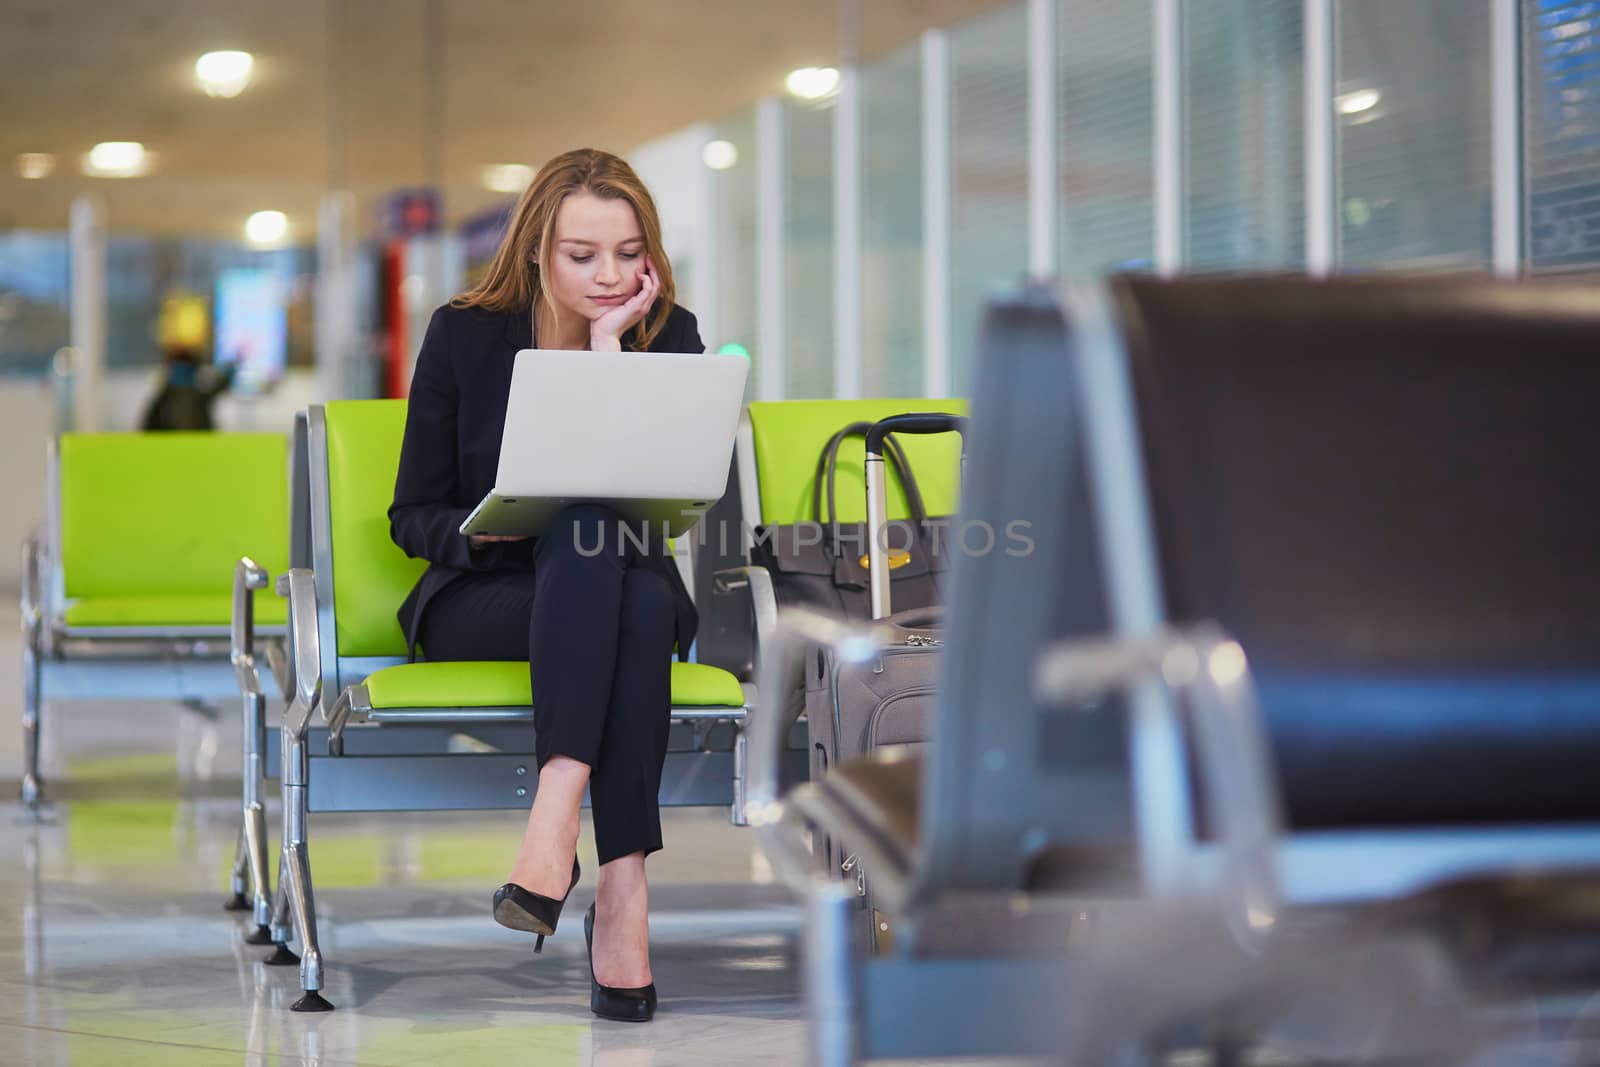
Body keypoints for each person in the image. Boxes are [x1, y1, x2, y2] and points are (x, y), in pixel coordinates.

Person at [388, 148, 705, 1023]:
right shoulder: (465, 333)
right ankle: (619, 892)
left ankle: (557, 824)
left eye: (629, 253)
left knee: (610, 556)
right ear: (536, 248)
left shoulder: (669, 336)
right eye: (583, 255)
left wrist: (608, 358)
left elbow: (670, 507)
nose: (611, 276)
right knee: (599, 556)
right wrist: (475, 525)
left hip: (624, 583)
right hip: (487, 596)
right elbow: (410, 512)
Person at [140, 346, 235, 431]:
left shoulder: (165, 396)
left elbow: (148, 427)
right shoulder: (197, 393)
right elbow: (220, 385)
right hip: (197, 443)